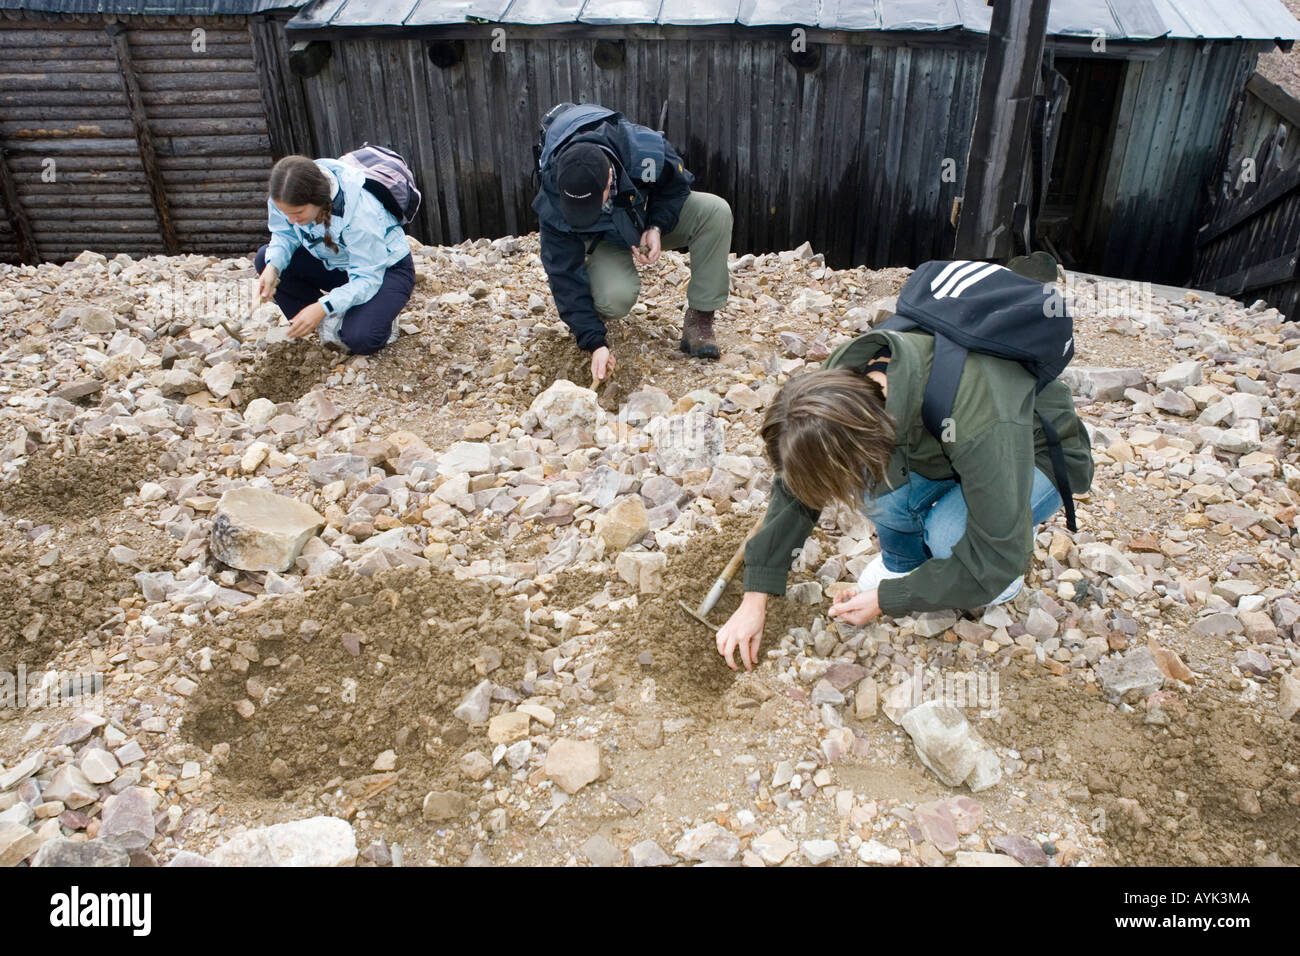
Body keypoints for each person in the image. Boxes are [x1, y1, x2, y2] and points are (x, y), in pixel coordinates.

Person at [714, 266, 1095, 671]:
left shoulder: (978, 415)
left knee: (949, 534)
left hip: (1028, 453)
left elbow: (995, 558)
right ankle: (906, 563)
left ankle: (1008, 538)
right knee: (860, 482)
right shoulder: (841, 384)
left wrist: (888, 599)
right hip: (942, 449)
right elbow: (799, 480)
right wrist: (756, 593)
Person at [532, 103, 733, 383]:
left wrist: (656, 225)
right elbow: (562, 273)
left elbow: (675, 187)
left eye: (592, 205)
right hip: (604, 238)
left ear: (609, 180)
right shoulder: (554, 193)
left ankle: (700, 320)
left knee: (715, 212)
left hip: (642, 218)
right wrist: (594, 342)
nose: (583, 213)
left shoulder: (644, 150)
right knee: (615, 298)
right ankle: (593, 318)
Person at [253, 154, 414, 354]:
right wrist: (272, 267)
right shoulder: (284, 199)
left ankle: (377, 317)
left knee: (361, 338)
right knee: (264, 258)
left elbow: (367, 278)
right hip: (337, 264)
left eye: (298, 213)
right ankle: (323, 321)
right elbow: (284, 235)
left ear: (318, 200)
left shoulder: (360, 212)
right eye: (286, 214)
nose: (292, 220)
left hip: (384, 270)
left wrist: (323, 307)